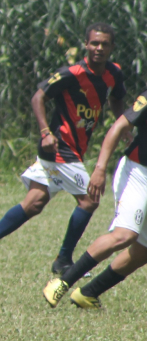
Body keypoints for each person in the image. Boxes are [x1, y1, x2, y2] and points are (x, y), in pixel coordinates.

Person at [0, 23, 125, 276]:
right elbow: (38, 97)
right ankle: (64, 260)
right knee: (89, 199)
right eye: (94, 43)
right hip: (60, 147)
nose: (99, 48)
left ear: (112, 47)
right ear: (86, 44)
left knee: (34, 202)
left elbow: (116, 99)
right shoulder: (71, 73)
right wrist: (45, 132)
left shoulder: (113, 73)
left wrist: (123, 125)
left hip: (72, 149)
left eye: (104, 44)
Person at [43, 89, 147, 309]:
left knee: (143, 250)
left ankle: (88, 293)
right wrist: (99, 169)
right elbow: (118, 127)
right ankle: (61, 282)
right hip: (138, 172)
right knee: (124, 235)